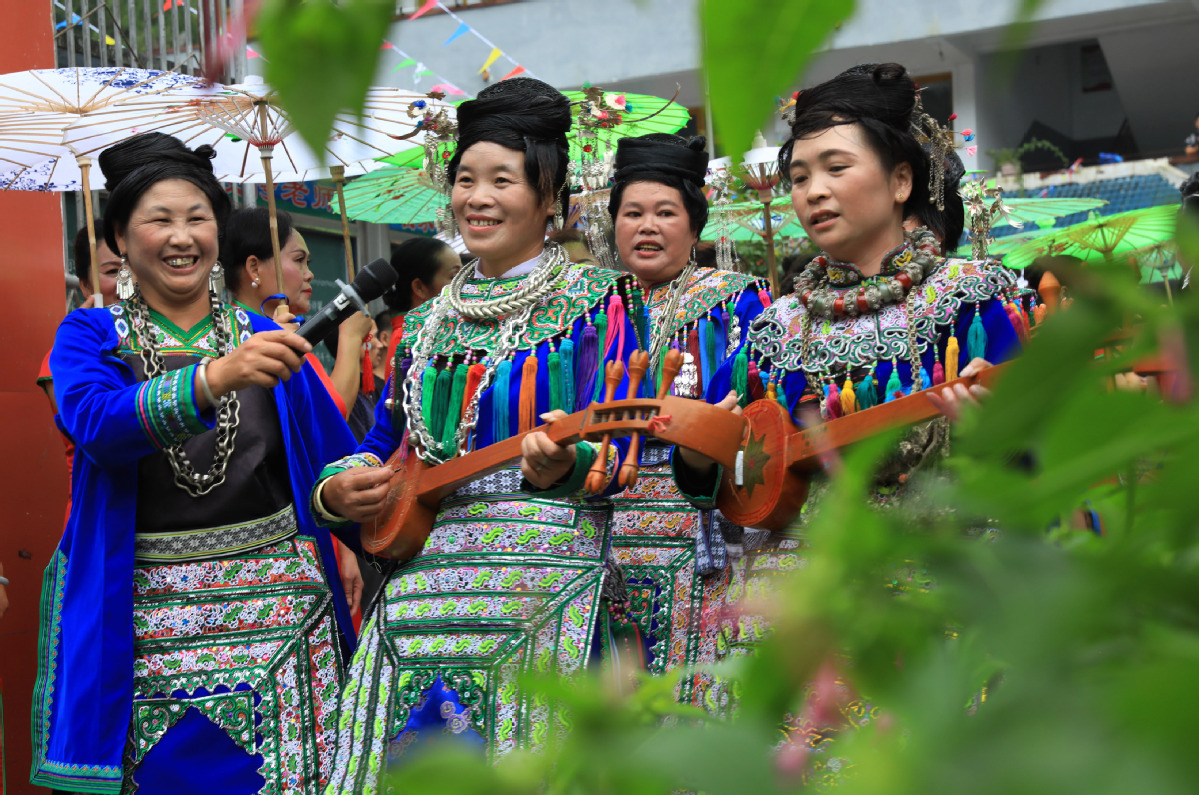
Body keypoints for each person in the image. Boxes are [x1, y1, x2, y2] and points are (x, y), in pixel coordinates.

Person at [694, 62, 1021, 780]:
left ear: (900, 180)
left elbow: (1041, 448)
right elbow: (719, 465)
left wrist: (993, 433)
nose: (811, 190)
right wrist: (706, 444)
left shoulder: (970, 296)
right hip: (795, 587)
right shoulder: (773, 325)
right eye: (799, 175)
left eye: (834, 167)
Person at [315, 77, 640, 788]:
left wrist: (574, 459)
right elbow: (385, 442)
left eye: (502, 179)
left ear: (550, 195)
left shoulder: (600, 304)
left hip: (552, 575)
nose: (477, 198)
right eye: (465, 179)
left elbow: (628, 448)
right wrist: (341, 487)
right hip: (422, 584)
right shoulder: (425, 324)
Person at [31, 133, 360, 794]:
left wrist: (347, 493)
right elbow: (98, 425)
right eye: (159, 219)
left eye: (197, 217)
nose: (182, 236)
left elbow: (332, 462)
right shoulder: (90, 336)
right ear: (121, 238)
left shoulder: (268, 337)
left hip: (285, 624)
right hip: (147, 622)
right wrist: (212, 378)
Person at [605, 132, 769, 707]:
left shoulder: (739, 300)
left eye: (664, 212)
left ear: (694, 225)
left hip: (700, 517)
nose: (647, 226)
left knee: (693, 691)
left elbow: (752, 405)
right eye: (632, 213)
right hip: (603, 522)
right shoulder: (589, 307)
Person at [222, 206, 374, 418]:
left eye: (307, 263)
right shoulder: (259, 335)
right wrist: (350, 336)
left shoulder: (232, 327)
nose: (309, 274)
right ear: (255, 269)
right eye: (299, 260)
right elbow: (328, 418)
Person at [37, 222, 125, 516]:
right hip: (98, 516)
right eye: (113, 272)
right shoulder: (65, 356)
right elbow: (93, 433)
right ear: (85, 285)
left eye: (135, 268)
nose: (129, 281)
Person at [381, 236, 460, 380]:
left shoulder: (434, 328)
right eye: (454, 276)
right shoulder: (406, 337)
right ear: (419, 288)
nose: (464, 284)